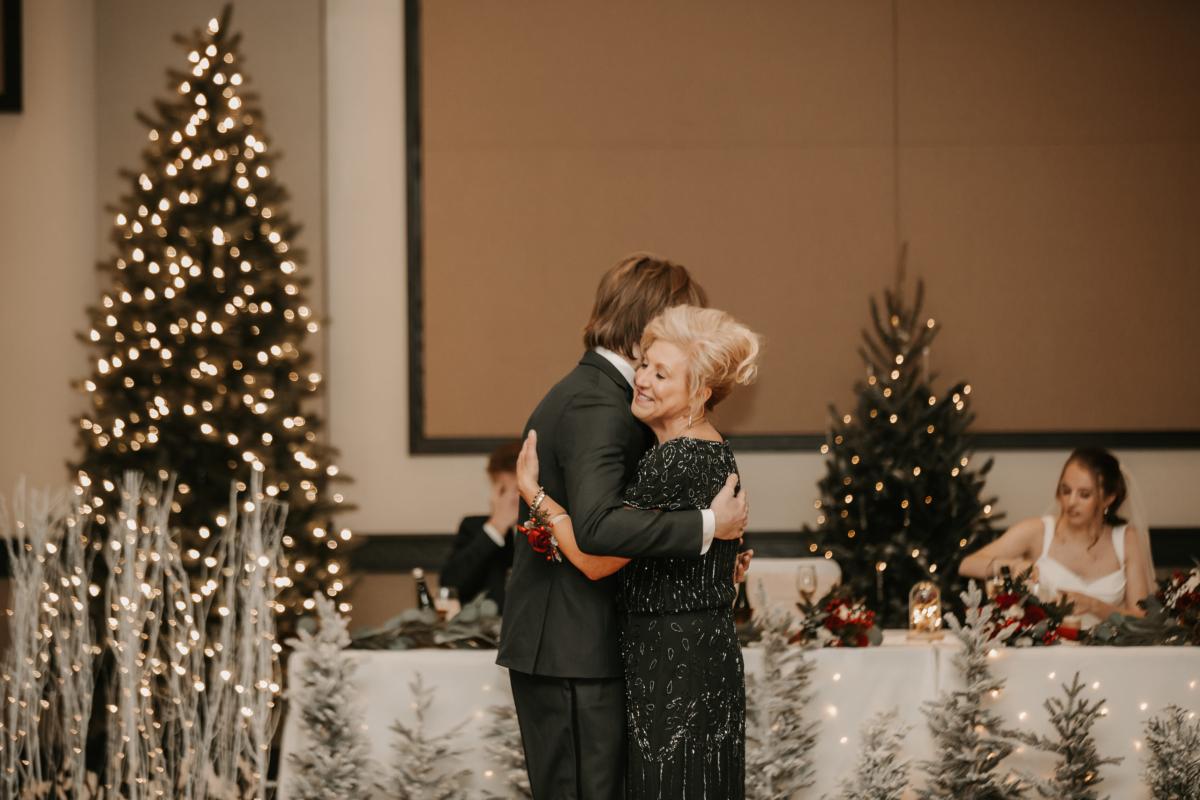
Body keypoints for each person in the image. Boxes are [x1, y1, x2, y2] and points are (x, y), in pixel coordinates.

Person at [497, 254, 751, 800]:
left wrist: (712, 552)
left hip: (612, 651)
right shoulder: (599, 401)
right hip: (575, 650)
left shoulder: (626, 406)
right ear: (651, 322)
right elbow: (598, 530)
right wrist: (709, 527)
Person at [959, 447, 1155, 625]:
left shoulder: (1126, 539)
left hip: (1108, 650)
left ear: (1108, 499)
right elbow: (966, 564)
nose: (1071, 502)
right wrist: (1012, 566)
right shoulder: (1037, 531)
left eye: (1084, 494)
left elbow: (1141, 620)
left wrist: (1095, 606)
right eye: (1066, 490)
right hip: (1047, 649)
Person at [439, 441, 521, 609]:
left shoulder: (552, 530)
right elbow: (450, 586)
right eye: (503, 490)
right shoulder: (474, 528)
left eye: (519, 490)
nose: (512, 499)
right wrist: (496, 527)